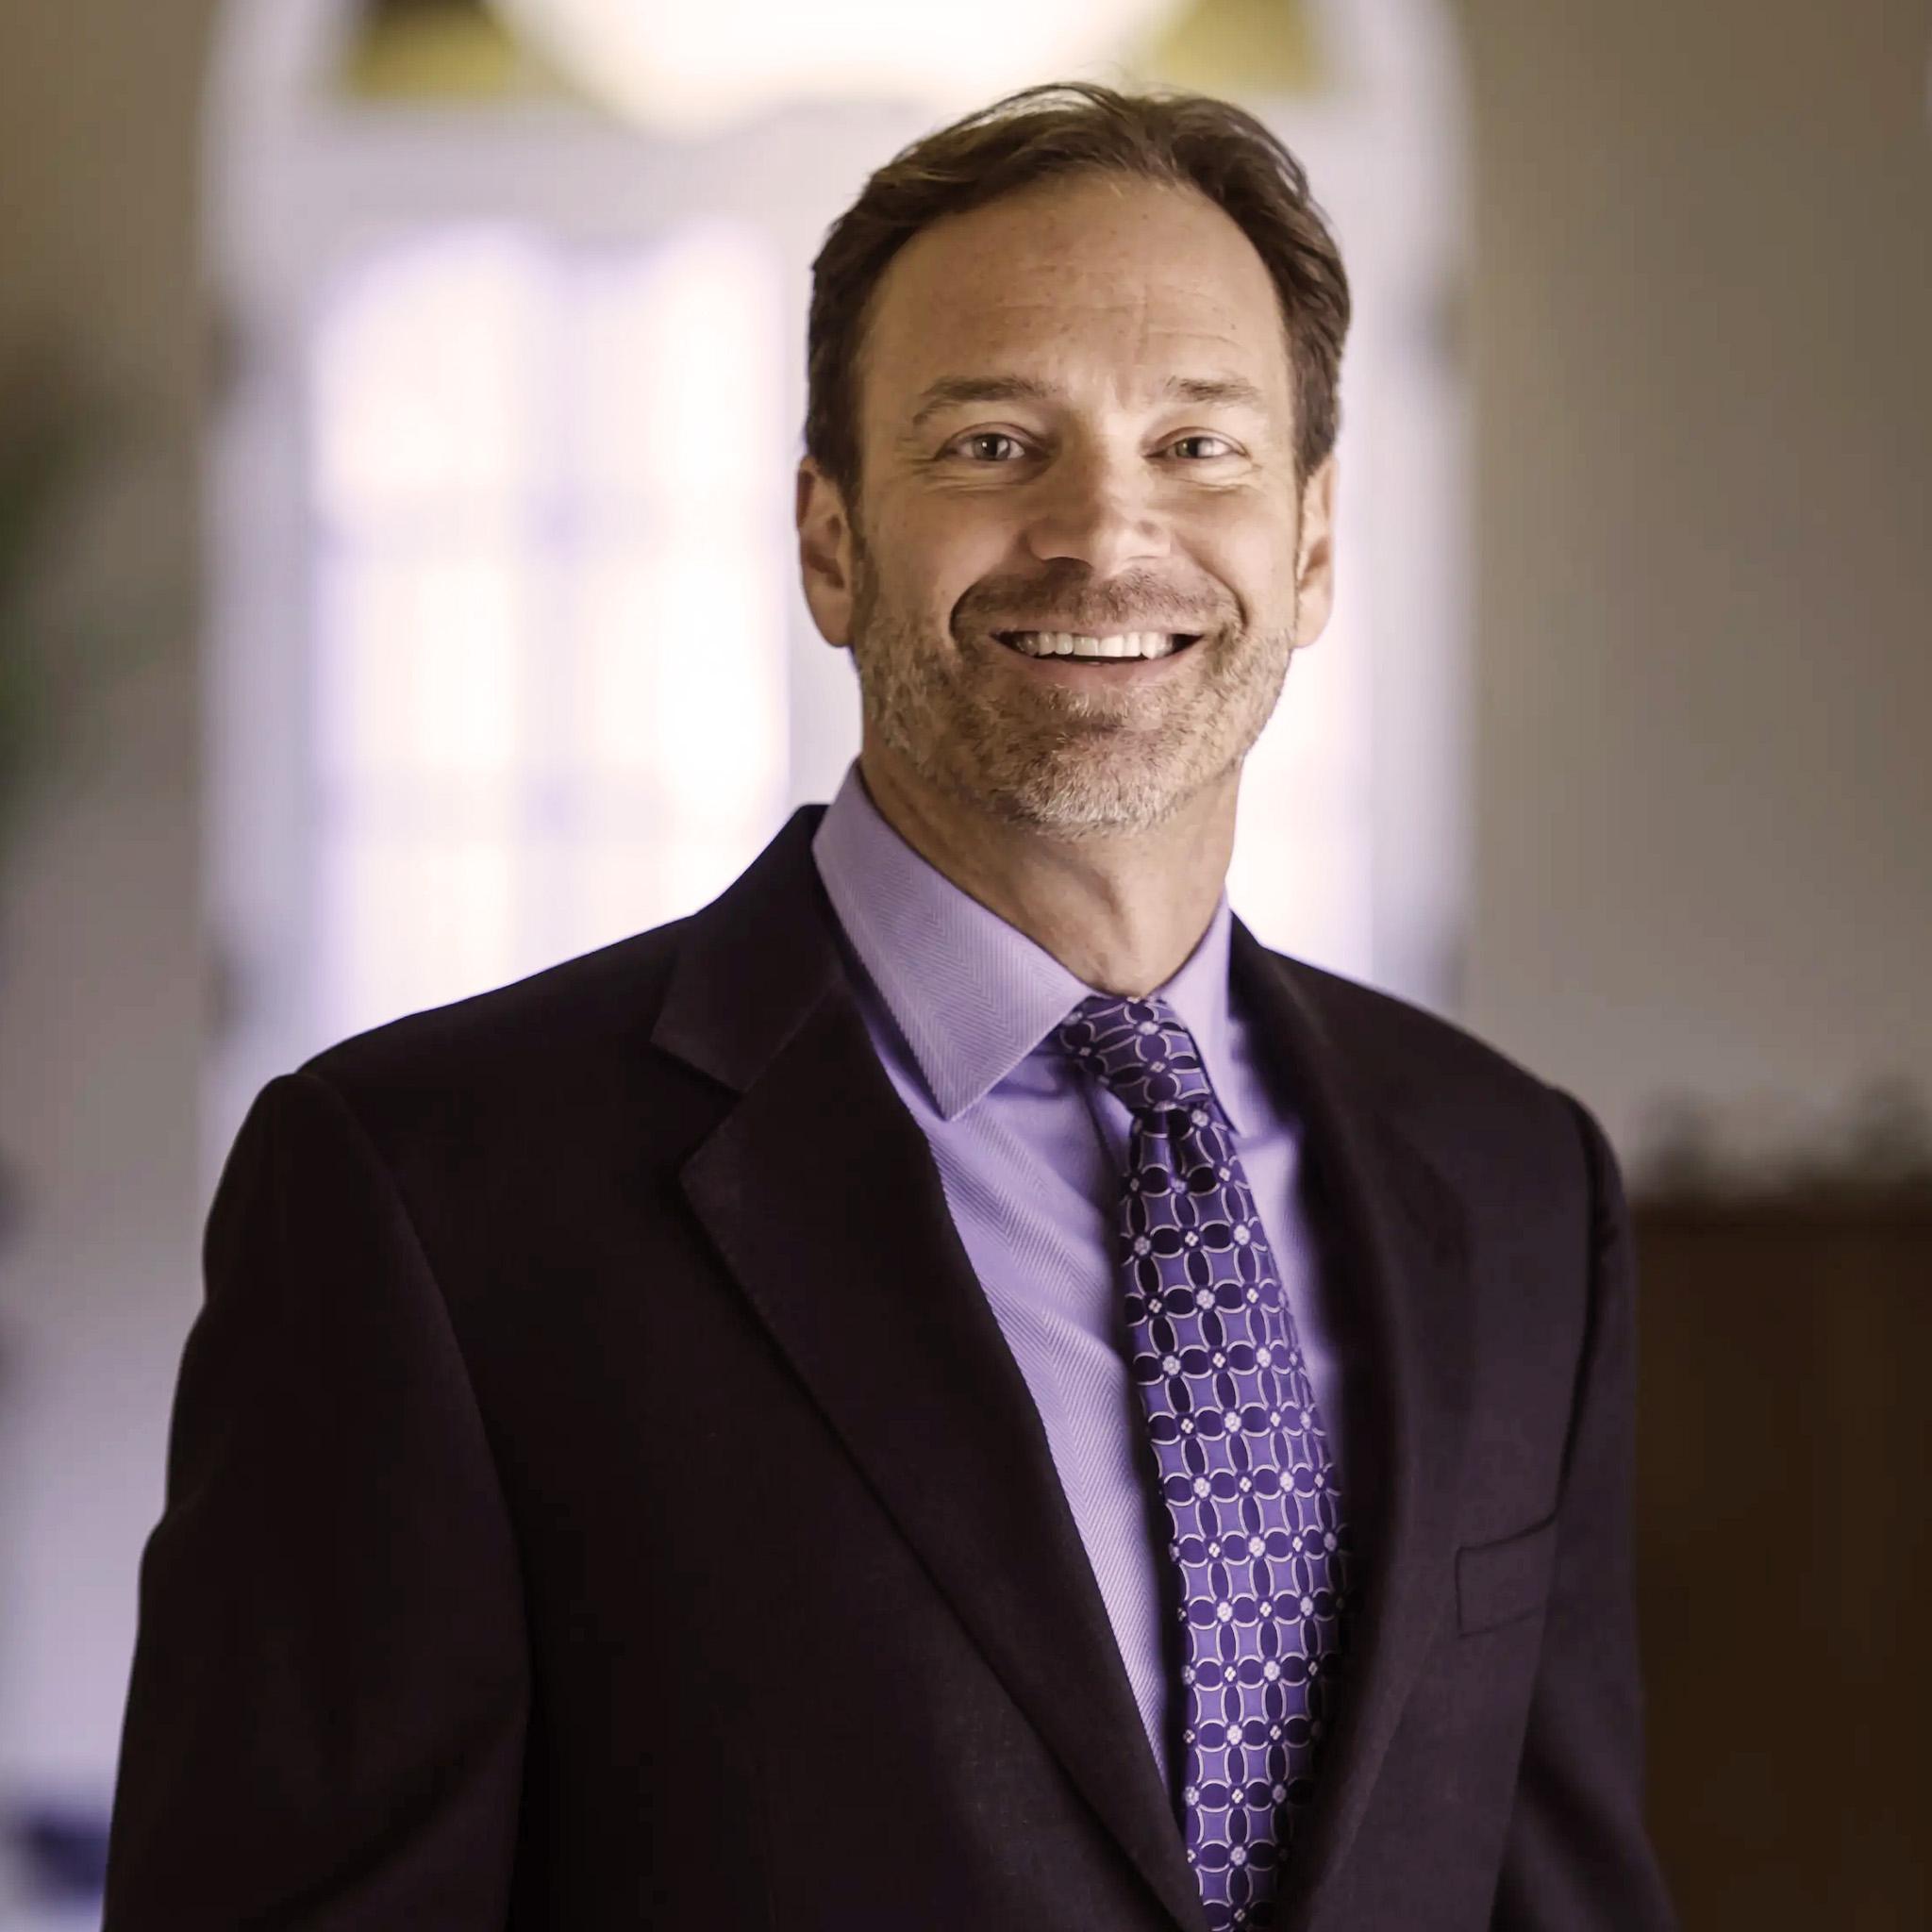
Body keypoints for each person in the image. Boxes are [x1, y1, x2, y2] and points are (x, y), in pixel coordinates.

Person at [103, 81, 1676, 1932]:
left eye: (1198, 446)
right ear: (830, 539)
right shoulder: (428, 1200)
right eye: (995, 442)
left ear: (1312, 545)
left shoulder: (1515, 1186)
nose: (1107, 532)